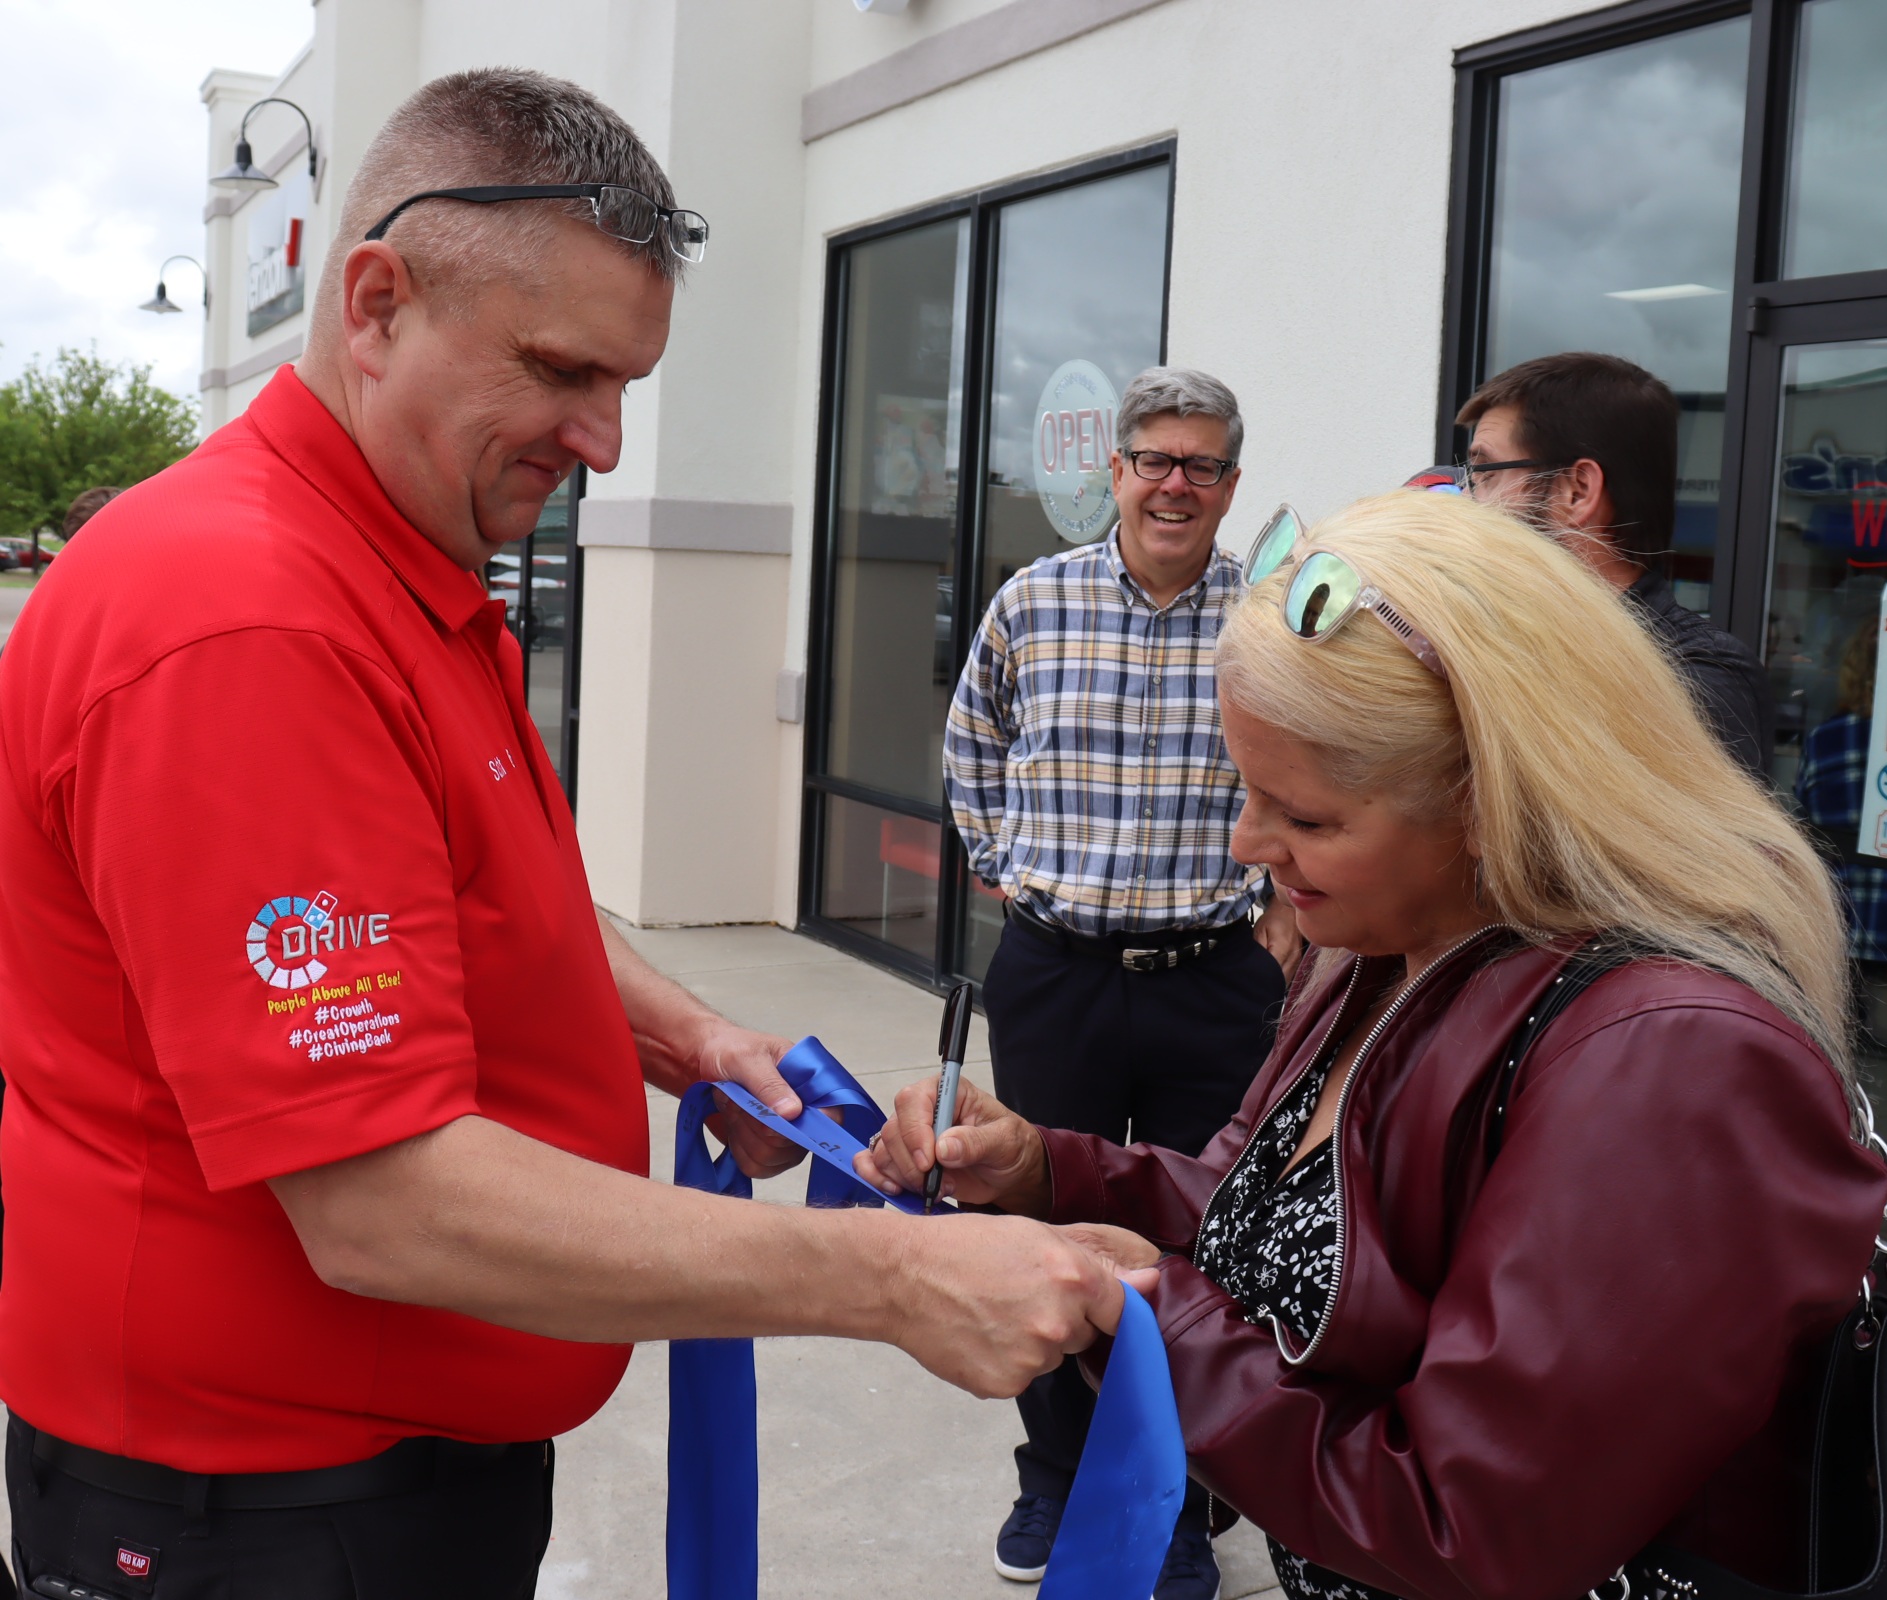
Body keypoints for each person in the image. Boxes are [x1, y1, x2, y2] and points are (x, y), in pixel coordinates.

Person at [0, 69, 1125, 1599]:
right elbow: (378, 1202)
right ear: (377, 305)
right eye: (560, 370)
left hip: (377, 1473)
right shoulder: (248, 623)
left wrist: (690, 1039)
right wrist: (893, 1276)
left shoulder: (391, 566)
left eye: (625, 385)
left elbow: (478, 910)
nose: (601, 441)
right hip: (254, 1511)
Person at [867, 490, 1887, 1600]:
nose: (1247, 843)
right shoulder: (1386, 947)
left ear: (1490, 801)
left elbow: (1472, 1527)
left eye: (1304, 817)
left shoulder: (1670, 1060)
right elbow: (1263, 1212)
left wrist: (1147, 1317)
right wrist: (1047, 1171)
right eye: (1245, 790)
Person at [943, 365, 1288, 1600]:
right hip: (1059, 974)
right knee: (1037, 1224)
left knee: (1199, 1242)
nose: (1174, 484)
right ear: (1116, 472)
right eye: (1154, 460)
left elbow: (1319, 770)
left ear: (1231, 485)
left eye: (1201, 465)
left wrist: (1288, 912)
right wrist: (1008, 865)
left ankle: (1175, 1504)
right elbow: (973, 741)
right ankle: (1055, 1474)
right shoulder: (1033, 602)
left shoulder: (1270, 624)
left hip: (1214, 979)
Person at [1457, 350, 1774, 776]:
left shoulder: (1695, 677)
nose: (1466, 501)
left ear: (1577, 490)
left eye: (1485, 475)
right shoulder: (1510, 648)